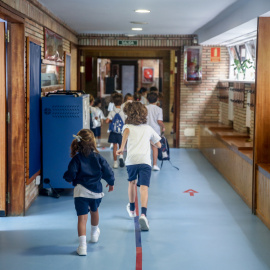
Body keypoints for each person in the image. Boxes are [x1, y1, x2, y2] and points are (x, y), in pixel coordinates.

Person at [63, 129, 115, 256]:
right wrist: (111, 182)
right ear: (93, 143)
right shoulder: (98, 157)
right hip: (96, 190)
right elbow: (108, 171)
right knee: (94, 210)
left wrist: (69, 179)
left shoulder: (77, 159)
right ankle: (94, 234)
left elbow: (70, 173)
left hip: (81, 191)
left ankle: (82, 247)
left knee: (82, 218)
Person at [116, 101, 161, 231]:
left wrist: (121, 148)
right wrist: (154, 142)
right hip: (145, 161)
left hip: (131, 160)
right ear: (144, 114)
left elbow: (125, 136)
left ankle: (132, 209)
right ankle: (143, 214)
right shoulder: (148, 128)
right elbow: (158, 145)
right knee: (144, 188)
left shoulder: (127, 127)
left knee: (132, 183)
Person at [106, 93, 126, 169]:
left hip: (114, 132)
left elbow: (107, 121)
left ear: (113, 103)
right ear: (122, 102)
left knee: (115, 147)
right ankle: (121, 156)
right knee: (121, 146)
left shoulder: (112, 112)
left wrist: (112, 121)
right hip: (121, 132)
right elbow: (126, 121)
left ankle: (115, 163)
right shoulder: (123, 112)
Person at [146, 92, 165, 171]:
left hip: (145, 130)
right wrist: (163, 127)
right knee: (155, 148)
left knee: (145, 148)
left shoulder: (144, 108)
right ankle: (154, 165)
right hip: (155, 131)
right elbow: (159, 121)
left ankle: (146, 165)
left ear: (147, 99)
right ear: (157, 99)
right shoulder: (159, 109)